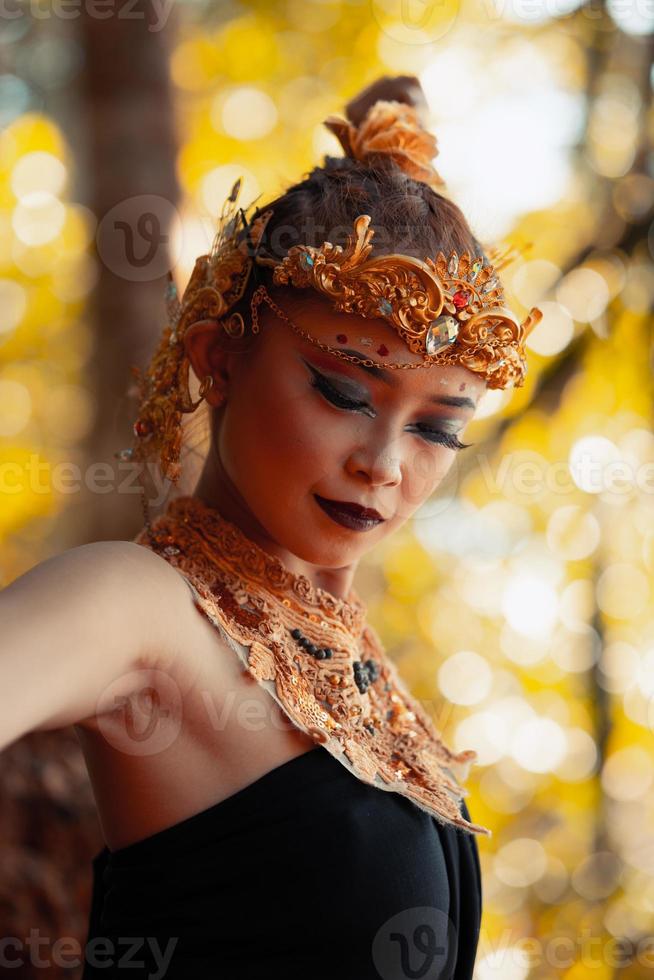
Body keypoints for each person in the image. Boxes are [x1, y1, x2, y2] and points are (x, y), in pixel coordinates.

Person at [0, 76, 542, 979]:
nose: (384, 461)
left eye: (437, 426)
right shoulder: (138, 605)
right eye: (342, 390)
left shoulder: (370, 678)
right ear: (219, 360)